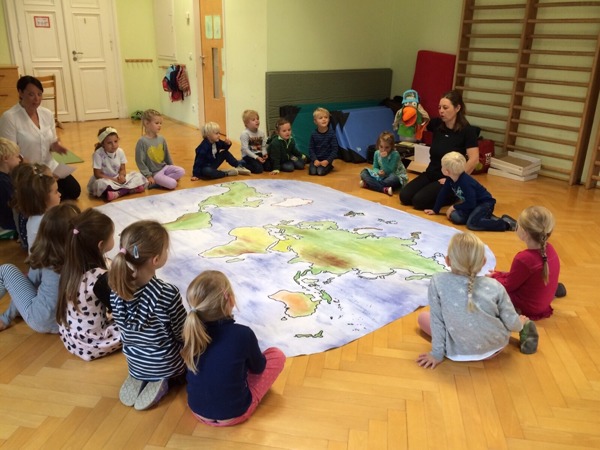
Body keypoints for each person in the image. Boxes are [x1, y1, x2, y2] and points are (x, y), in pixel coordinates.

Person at [416, 232, 539, 369]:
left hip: (457, 352)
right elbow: (511, 323)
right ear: (484, 262)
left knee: (423, 317)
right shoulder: (495, 286)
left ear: (448, 261)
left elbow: (437, 321)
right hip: (494, 349)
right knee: (504, 316)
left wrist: (436, 354)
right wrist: (520, 324)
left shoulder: (437, 281)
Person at [182, 270, 286, 426]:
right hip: (235, 414)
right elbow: (258, 368)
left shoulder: (191, 333)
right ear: (230, 300)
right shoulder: (243, 334)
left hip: (198, 411)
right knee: (277, 355)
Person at [108, 220, 187, 410]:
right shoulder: (167, 293)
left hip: (135, 361)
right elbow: (181, 333)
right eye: (166, 250)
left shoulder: (116, 290)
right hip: (168, 364)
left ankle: (142, 374)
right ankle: (164, 379)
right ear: (156, 260)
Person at [0, 202, 80, 333]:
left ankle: (7, 317)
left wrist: (6, 317)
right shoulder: (85, 257)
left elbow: (29, 284)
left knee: (6, 270)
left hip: (41, 320)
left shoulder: (45, 258)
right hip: (69, 323)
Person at [0, 75, 81, 200]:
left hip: (49, 166)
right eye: (31, 94)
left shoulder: (46, 113)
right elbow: (10, 154)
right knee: (47, 196)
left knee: (74, 190)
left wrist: (55, 146)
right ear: (20, 93)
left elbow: (52, 140)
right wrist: (41, 173)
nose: (37, 99)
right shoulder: (9, 117)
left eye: (39, 94)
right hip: (27, 170)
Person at [56, 208, 121, 361]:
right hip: (92, 344)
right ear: (101, 245)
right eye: (112, 236)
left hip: (71, 338)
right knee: (139, 325)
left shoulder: (70, 266)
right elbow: (120, 309)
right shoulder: (99, 278)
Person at [400, 90, 479, 210]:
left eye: (445, 108)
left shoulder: (468, 131)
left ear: (457, 108)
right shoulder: (437, 124)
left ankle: (455, 194)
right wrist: (411, 108)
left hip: (449, 179)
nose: (441, 111)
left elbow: (474, 160)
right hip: (431, 174)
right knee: (405, 196)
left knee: (419, 201)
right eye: (439, 107)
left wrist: (454, 180)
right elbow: (418, 122)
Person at [487, 206, 560, 320]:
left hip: (528, 307)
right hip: (542, 302)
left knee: (486, 290)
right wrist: (498, 274)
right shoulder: (550, 249)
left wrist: (493, 279)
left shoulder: (524, 258)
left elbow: (508, 286)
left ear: (525, 233)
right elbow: (518, 276)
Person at [424, 152, 517, 231]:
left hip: (485, 204)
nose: (441, 168)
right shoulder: (450, 179)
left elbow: (471, 203)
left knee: (472, 224)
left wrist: (453, 207)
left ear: (447, 171)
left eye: (442, 166)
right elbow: (443, 193)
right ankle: (484, 217)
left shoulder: (465, 183)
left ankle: (505, 224)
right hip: (472, 204)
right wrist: (435, 210)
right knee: (456, 217)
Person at [88, 126, 147, 201]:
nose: (113, 145)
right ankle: (129, 190)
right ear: (103, 144)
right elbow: (97, 174)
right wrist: (114, 180)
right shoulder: (98, 154)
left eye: (115, 141)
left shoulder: (120, 151)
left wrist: (121, 176)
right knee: (100, 184)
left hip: (117, 178)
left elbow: (122, 169)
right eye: (109, 143)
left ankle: (118, 193)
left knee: (138, 175)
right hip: (106, 179)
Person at [12, 163, 61, 252]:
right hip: (47, 260)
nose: (60, 194)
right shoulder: (46, 221)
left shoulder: (36, 216)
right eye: (56, 192)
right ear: (43, 197)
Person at [135, 109, 185, 189]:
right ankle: (157, 181)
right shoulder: (142, 142)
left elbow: (167, 155)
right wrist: (148, 176)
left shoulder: (162, 139)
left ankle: (157, 183)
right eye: (157, 123)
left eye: (161, 123)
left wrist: (172, 167)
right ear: (146, 123)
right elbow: (140, 162)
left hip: (164, 168)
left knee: (181, 171)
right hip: (155, 173)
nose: (159, 125)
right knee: (173, 184)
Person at [359, 131, 408, 196]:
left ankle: (369, 185)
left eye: (387, 147)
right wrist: (378, 172)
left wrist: (384, 158)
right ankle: (383, 189)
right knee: (364, 172)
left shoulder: (395, 155)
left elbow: (390, 170)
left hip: (394, 175)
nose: (383, 150)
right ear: (378, 145)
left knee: (394, 178)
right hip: (381, 176)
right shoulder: (377, 153)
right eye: (381, 147)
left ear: (391, 146)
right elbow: (375, 167)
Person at [0, 138, 21, 239]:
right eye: (17, 156)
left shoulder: (6, 177)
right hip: (7, 224)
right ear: (5, 158)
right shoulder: (3, 182)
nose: (19, 160)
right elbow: (12, 207)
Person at [308, 107, 338, 176]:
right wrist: (315, 160)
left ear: (329, 119)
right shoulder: (313, 134)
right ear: (315, 121)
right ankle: (314, 164)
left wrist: (328, 161)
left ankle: (330, 166)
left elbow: (335, 149)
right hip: (316, 159)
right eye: (320, 118)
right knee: (312, 172)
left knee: (320, 172)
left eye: (326, 117)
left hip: (326, 160)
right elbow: (311, 149)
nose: (324, 119)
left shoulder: (331, 133)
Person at [240, 110, 269, 174]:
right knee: (258, 169)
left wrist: (264, 153)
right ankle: (242, 163)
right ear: (246, 123)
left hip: (258, 153)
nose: (257, 121)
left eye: (257, 119)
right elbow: (245, 150)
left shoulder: (261, 133)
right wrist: (256, 157)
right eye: (253, 120)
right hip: (248, 155)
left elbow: (263, 146)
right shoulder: (245, 134)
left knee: (269, 167)